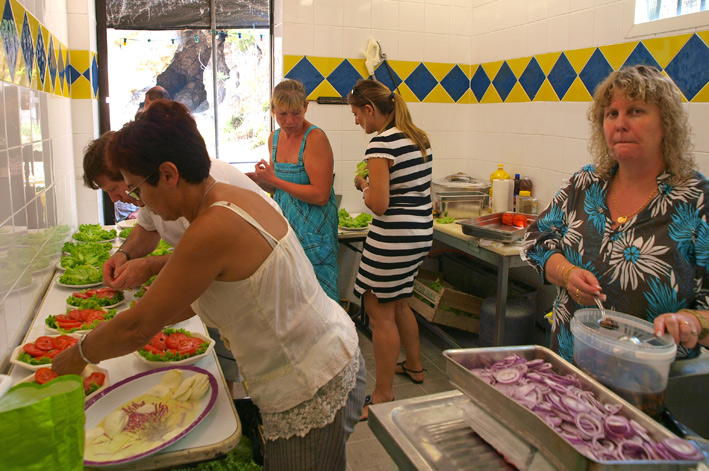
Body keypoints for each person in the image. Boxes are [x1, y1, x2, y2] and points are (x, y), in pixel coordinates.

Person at [54, 100, 366, 470]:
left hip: (312, 382)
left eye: (137, 191)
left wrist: (75, 357)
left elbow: (139, 325)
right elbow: (192, 298)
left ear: (169, 174)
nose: (141, 203)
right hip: (329, 357)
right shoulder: (228, 199)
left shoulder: (213, 226)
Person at [523, 65, 709, 362]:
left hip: (648, 380)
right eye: (612, 114)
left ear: (666, 123)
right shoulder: (585, 184)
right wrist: (567, 273)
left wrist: (693, 322)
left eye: (635, 111)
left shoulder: (697, 200)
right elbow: (536, 240)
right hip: (572, 366)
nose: (620, 124)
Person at [83, 130, 280, 291]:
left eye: (113, 189)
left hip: (265, 274)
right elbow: (147, 228)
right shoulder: (148, 189)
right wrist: (124, 254)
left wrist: (151, 267)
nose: (114, 200)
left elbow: (208, 253)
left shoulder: (202, 181)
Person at [347, 79, 434, 420]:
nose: (357, 122)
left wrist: (364, 184)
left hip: (392, 238)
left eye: (356, 114)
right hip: (419, 235)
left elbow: (380, 205)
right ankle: (414, 366)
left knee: (379, 311)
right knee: (399, 302)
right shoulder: (418, 137)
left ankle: (382, 394)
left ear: (370, 110)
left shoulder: (380, 143)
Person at [248, 79, 340, 301]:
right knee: (290, 298)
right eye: (282, 114)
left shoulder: (315, 138)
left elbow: (320, 195)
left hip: (314, 231)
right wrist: (260, 181)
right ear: (272, 111)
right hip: (286, 227)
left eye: (296, 113)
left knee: (318, 298)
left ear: (306, 107)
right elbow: (278, 190)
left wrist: (275, 180)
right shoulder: (275, 138)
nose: (289, 121)